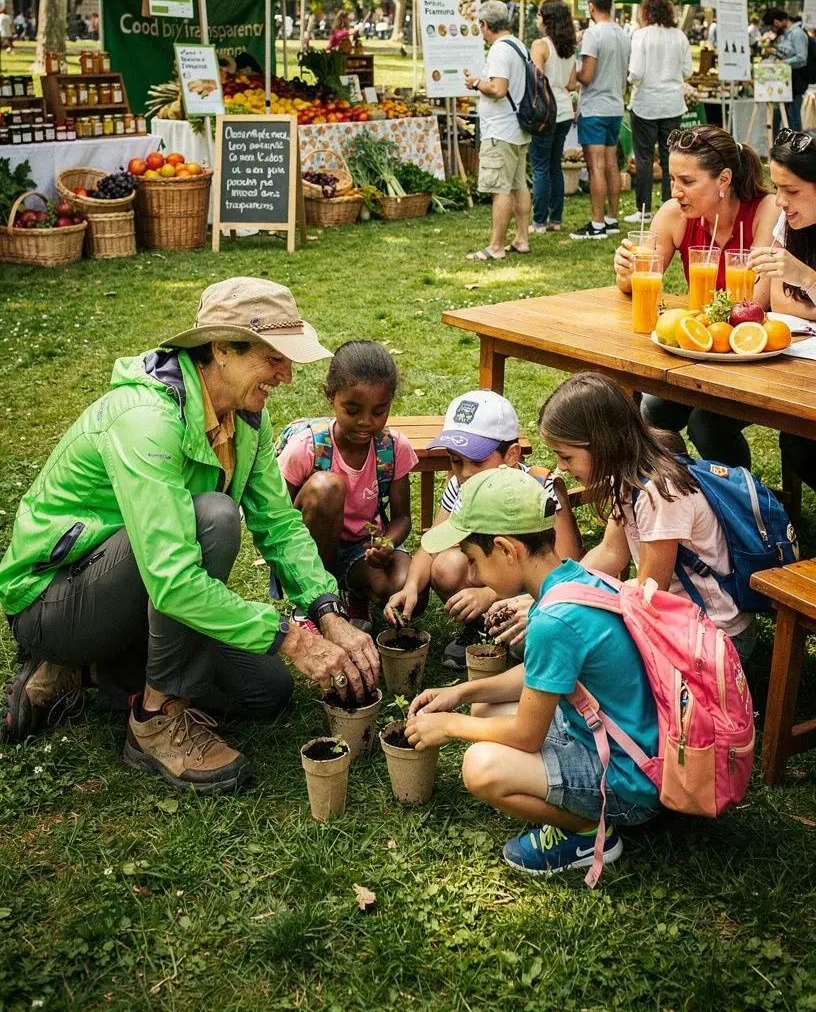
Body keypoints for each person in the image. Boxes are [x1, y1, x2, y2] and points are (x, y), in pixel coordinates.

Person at [0, 278, 377, 793]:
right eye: (275, 358)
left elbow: (280, 525)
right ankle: (154, 717)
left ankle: (85, 673)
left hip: (140, 592)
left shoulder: (247, 416)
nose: (288, 376)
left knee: (267, 692)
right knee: (215, 518)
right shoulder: (146, 420)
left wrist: (326, 612)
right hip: (55, 601)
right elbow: (174, 579)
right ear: (222, 349)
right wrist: (289, 637)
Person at [404, 468, 659, 877]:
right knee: (484, 709)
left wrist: (447, 725)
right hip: (618, 739)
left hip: (630, 782)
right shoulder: (573, 581)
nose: (472, 576)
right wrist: (462, 694)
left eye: (474, 561)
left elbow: (526, 735)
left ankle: (590, 833)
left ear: (506, 550)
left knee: (481, 767)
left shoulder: (553, 622)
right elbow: (541, 674)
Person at [539, 373, 757, 659]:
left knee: (580, 649)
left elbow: (650, 592)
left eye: (566, 456)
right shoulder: (629, 473)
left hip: (715, 638)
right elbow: (610, 551)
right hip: (676, 621)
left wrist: (569, 604)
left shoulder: (658, 494)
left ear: (603, 444)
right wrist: (553, 592)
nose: (561, 467)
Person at [613, 125, 777, 466]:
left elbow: (755, 302)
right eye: (673, 180)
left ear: (723, 179)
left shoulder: (766, 210)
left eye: (687, 182)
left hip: (753, 356)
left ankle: (743, 504)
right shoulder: (675, 216)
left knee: (706, 423)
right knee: (652, 409)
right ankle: (684, 491)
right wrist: (626, 270)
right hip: (700, 352)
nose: (676, 192)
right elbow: (641, 279)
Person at [382, 390, 582, 666]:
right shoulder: (460, 486)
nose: (464, 473)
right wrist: (412, 587)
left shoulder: (539, 487)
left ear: (511, 454)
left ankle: (515, 637)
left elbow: (568, 563)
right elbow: (431, 548)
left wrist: (489, 595)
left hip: (534, 593)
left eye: (477, 461)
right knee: (446, 565)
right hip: (497, 576)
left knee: (530, 644)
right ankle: (481, 629)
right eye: (455, 460)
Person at [276, 341, 418, 625]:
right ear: (331, 397)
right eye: (352, 410)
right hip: (311, 551)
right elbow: (277, 516)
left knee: (406, 585)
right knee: (328, 487)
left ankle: (355, 592)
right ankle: (315, 599)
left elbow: (402, 517)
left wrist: (387, 543)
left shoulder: (393, 447)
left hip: (362, 550)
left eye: (379, 412)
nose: (366, 422)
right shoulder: (307, 447)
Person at [748, 129, 816, 492]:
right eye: (776, 188)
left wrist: (806, 277)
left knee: (800, 443)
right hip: (796, 367)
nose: (780, 201)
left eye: (791, 191)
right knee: (702, 422)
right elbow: (777, 300)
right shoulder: (789, 223)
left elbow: (790, 295)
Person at [463, 0, 531, 261]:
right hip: (517, 127)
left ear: (485, 24)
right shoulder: (518, 45)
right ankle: (522, 239)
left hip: (501, 130)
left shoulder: (499, 50)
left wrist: (476, 82)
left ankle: (496, 247)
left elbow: (499, 89)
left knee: (500, 188)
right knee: (518, 185)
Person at [625, 0, 693, 226]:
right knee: (670, 159)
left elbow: (636, 72)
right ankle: (671, 205)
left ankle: (643, 209)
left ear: (646, 12)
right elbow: (687, 71)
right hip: (673, 103)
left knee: (643, 158)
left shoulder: (641, 36)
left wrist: (629, 78)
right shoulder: (680, 37)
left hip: (646, 103)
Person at [571, 0, 630, 240]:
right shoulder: (623, 34)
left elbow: (587, 74)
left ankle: (597, 224)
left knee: (595, 167)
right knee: (610, 165)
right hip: (615, 105)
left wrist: (572, 70)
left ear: (591, 7)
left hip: (595, 106)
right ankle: (612, 218)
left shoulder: (593, 34)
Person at [529, 0, 578, 233]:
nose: (536, 19)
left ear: (546, 19)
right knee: (554, 166)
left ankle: (538, 221)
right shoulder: (568, 47)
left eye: (539, 14)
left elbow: (536, 78)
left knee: (539, 166)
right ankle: (555, 219)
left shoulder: (540, 46)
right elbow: (571, 83)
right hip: (565, 110)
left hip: (546, 111)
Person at [762, 7, 809, 133]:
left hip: (796, 79)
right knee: (783, 116)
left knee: (793, 116)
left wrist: (783, 62)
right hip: (785, 79)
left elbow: (801, 57)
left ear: (777, 22)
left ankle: (797, 149)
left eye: (772, 27)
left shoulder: (797, 33)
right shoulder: (786, 34)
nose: (772, 30)